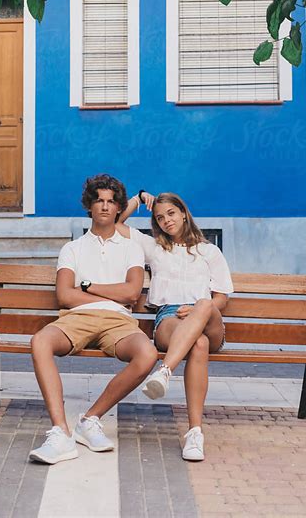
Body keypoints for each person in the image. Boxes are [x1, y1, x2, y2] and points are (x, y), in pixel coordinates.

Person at [29, 174, 158, 465]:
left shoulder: (131, 247)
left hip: (119, 323)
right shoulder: (72, 248)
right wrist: (111, 296)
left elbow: (132, 292)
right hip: (77, 319)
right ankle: (61, 433)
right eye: (99, 200)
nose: (104, 206)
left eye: (111, 202)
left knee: (148, 353)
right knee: (40, 341)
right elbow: (64, 296)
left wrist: (88, 288)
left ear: (118, 208)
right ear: (89, 205)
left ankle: (90, 420)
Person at [116, 190, 233, 462]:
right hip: (169, 318)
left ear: (183, 213)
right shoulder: (154, 249)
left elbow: (221, 299)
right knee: (198, 345)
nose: (167, 220)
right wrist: (138, 197)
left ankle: (165, 370)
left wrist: (196, 310)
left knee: (204, 305)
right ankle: (195, 434)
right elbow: (117, 224)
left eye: (171, 213)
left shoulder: (209, 251)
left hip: (207, 318)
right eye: (160, 217)